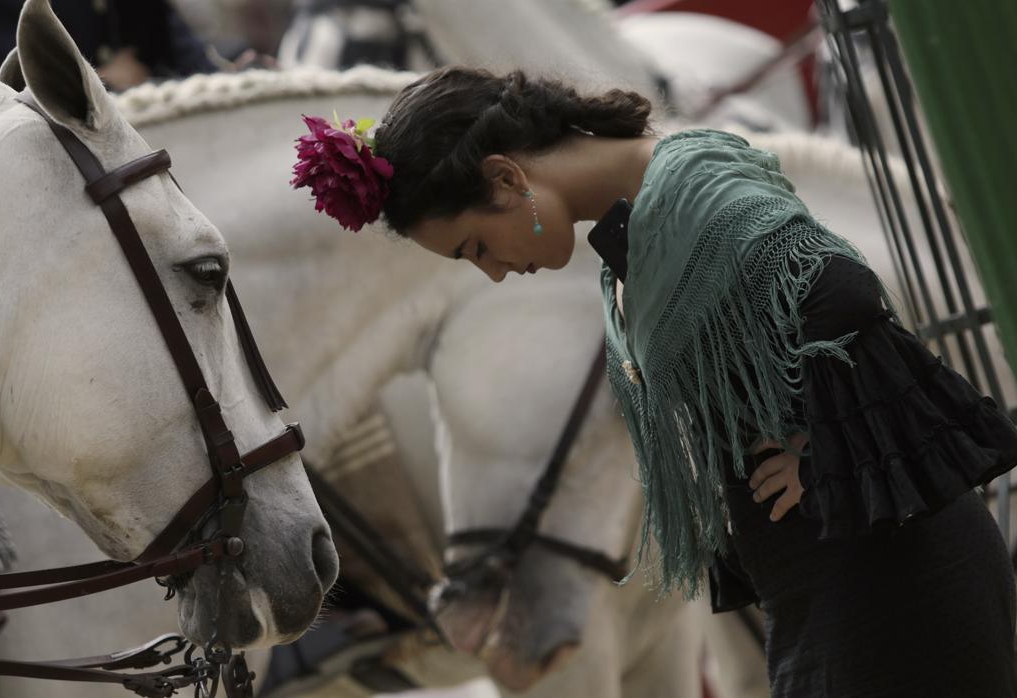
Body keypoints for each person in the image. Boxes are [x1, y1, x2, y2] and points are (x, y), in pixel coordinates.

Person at [290, 66, 1017, 697]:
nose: (492, 270)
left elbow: (843, 291)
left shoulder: (685, 189)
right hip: (840, 579)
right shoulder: (643, 221)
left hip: (894, 584)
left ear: (507, 179)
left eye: (478, 245)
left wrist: (826, 449)